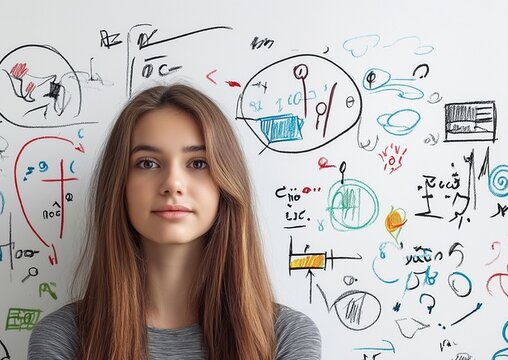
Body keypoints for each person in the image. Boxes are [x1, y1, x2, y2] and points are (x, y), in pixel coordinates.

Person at [28, 84, 321, 360]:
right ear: (119, 185)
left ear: (226, 184)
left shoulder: (285, 336)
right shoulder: (65, 338)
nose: (172, 183)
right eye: (147, 163)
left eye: (198, 163)